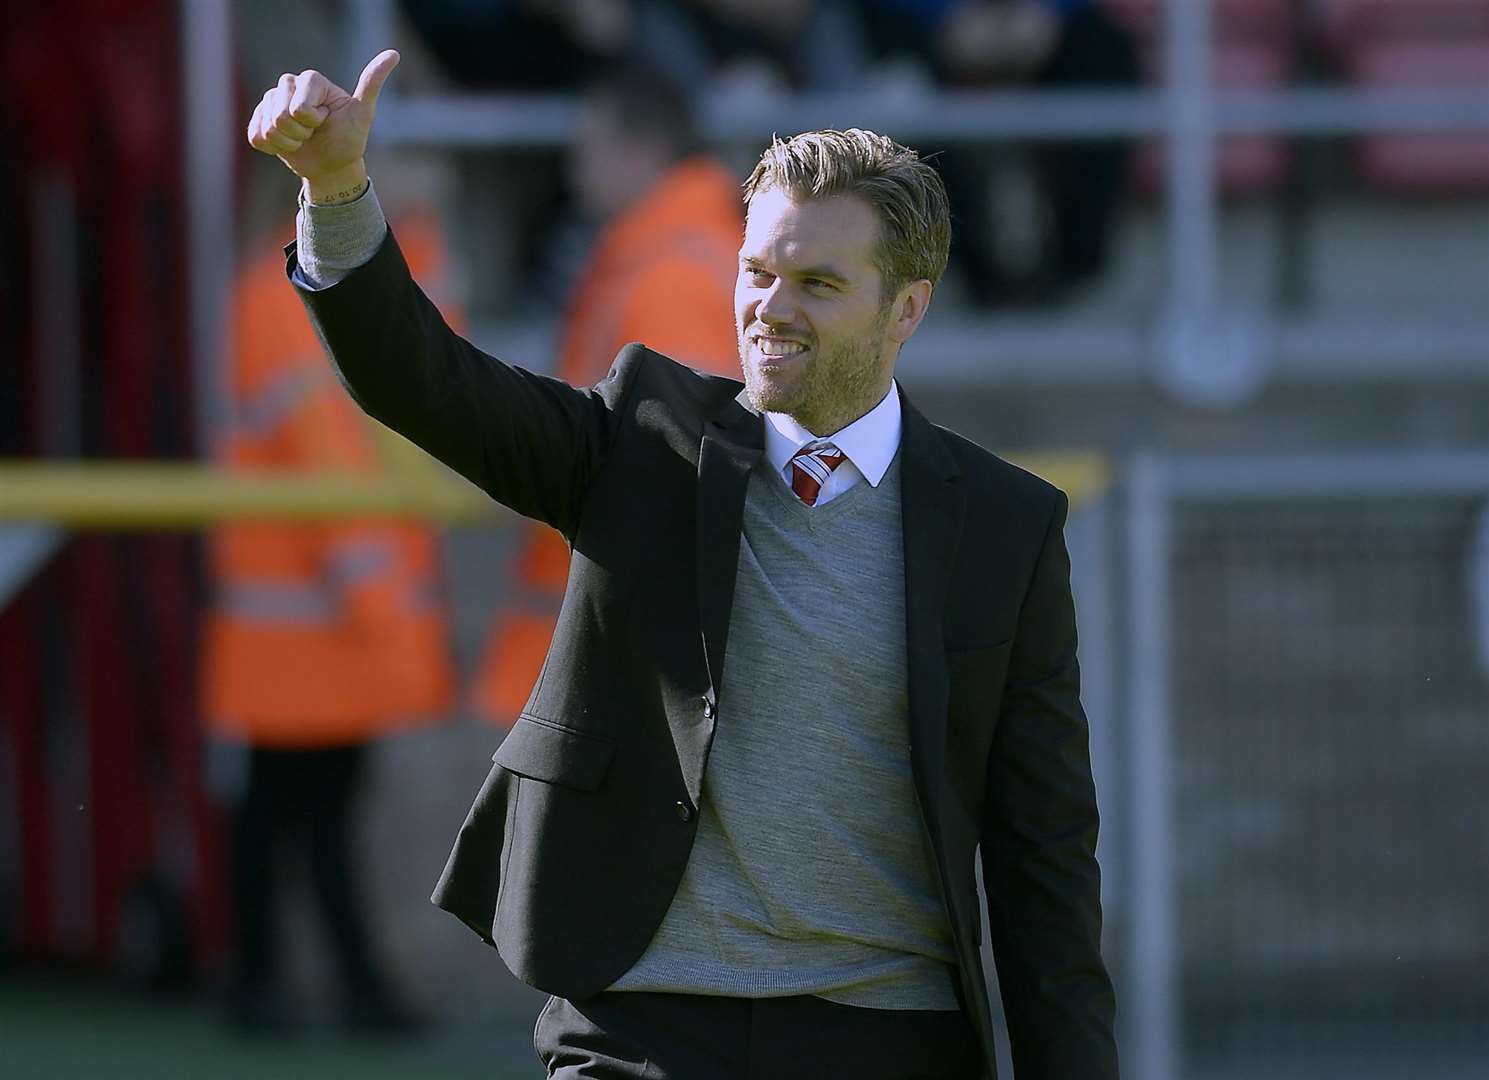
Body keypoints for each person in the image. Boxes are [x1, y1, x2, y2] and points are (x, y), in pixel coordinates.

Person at [245, 49, 1118, 1079]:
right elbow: (422, 381)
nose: (769, 308)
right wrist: (339, 190)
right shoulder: (644, 438)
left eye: (818, 284)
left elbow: (1042, 862)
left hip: (888, 1036)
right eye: (758, 272)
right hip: (643, 1028)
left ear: (906, 309)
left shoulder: (1004, 530)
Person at [201, 193, 459, 1035]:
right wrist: (394, 621)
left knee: (290, 816)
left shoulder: (279, 290)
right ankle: (322, 990)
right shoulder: (291, 297)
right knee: (301, 816)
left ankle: (288, 988)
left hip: (302, 627)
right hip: (317, 627)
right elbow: (333, 476)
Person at [470, 69, 743, 726]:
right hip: (615, 643)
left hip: (623, 652)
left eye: (587, 147)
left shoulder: (672, 273)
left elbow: (676, 470)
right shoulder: (659, 257)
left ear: (642, 150)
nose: (573, 168)